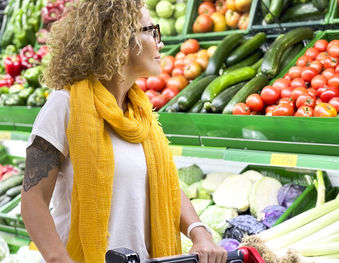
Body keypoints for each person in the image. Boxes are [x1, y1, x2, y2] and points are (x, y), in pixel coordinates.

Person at [20, 1, 228, 263]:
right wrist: (59, 259)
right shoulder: (65, 106)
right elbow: (33, 198)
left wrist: (200, 233)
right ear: (119, 40)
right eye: (152, 31)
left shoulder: (140, 114)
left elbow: (167, 186)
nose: (159, 42)